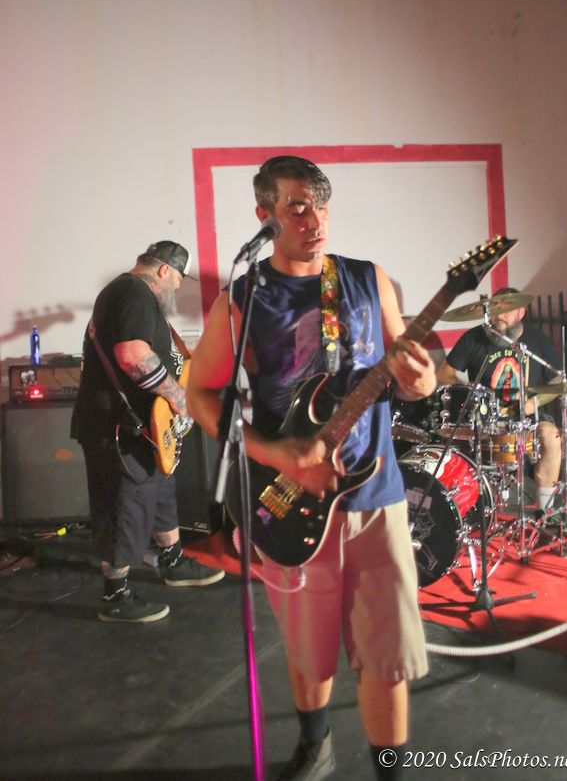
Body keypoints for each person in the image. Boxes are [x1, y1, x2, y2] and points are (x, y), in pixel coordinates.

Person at [186, 156, 436, 780]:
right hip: (291, 497)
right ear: (264, 215)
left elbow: (408, 367)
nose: (314, 220)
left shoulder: (366, 278)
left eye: (321, 205)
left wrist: (423, 381)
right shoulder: (244, 298)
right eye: (297, 207)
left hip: (377, 496)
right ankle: (314, 744)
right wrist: (275, 455)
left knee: (387, 658)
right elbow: (200, 394)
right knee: (309, 651)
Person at [71, 241, 224, 624]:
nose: (178, 287)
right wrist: (179, 398)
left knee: (159, 490)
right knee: (124, 508)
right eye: (178, 278)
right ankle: (115, 595)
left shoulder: (131, 295)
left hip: (144, 427)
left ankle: (172, 561)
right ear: (163, 270)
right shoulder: (133, 292)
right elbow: (133, 355)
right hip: (118, 427)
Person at [437, 288, 562, 513]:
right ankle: (463, 508)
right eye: (495, 309)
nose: (499, 315)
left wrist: (533, 404)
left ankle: (546, 510)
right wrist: (468, 392)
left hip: (526, 417)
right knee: (452, 438)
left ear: (521, 313)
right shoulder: (473, 337)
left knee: (551, 437)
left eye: (507, 309)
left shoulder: (537, 340)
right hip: (483, 418)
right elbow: (444, 373)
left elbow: (558, 382)